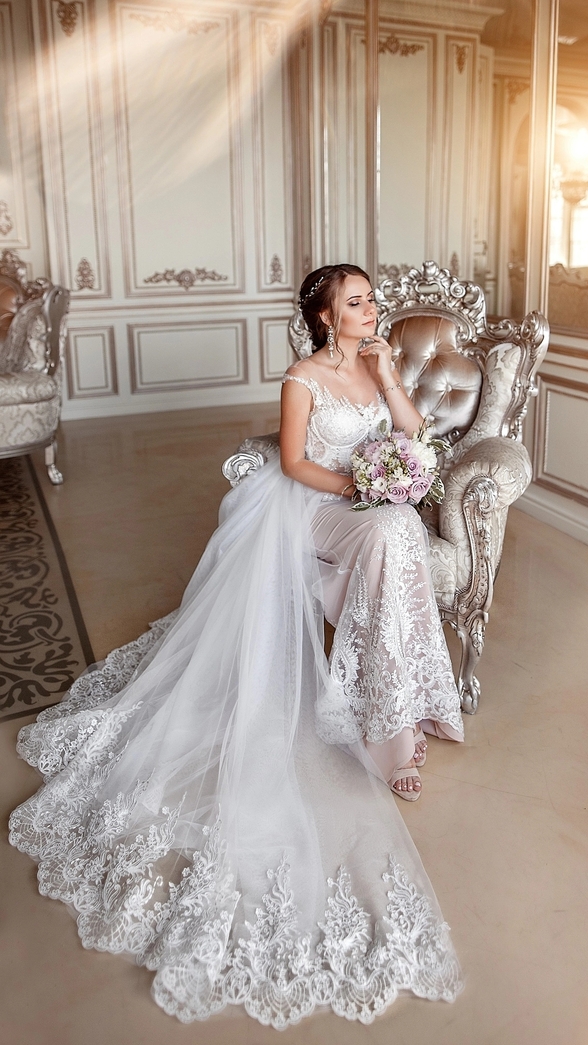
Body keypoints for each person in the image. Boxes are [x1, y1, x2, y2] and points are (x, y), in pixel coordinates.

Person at [9, 264, 465, 1029]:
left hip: (370, 510)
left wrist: (389, 378)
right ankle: (389, 727)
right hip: (317, 505)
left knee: (400, 533)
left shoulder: (373, 363)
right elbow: (295, 463)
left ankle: (398, 709)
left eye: (371, 300)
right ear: (325, 317)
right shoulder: (302, 378)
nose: (371, 309)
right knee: (393, 530)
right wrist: (361, 488)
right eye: (356, 302)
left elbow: (412, 437)